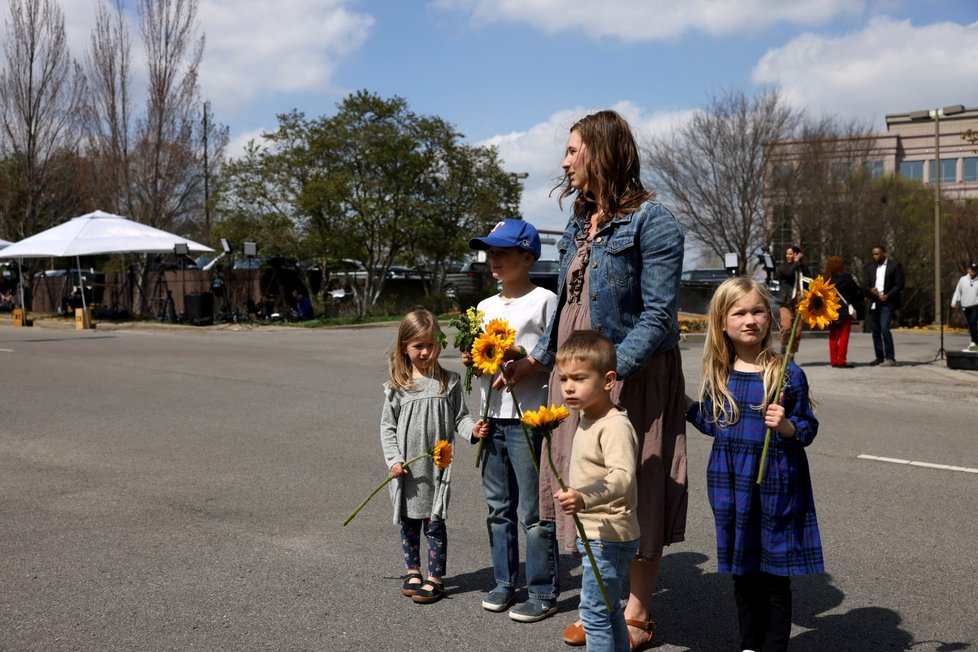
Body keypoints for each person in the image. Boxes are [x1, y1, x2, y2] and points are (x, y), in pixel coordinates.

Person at [505, 109, 686, 650]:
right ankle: (601, 603)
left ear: (602, 152)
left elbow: (658, 316)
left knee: (637, 487)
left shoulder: (654, 221)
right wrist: (539, 358)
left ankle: (635, 612)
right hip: (582, 373)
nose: (563, 162)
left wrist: (613, 374)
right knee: (582, 482)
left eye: (571, 151)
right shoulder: (582, 221)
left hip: (631, 371)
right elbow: (567, 303)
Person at [685, 277, 823, 652]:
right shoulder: (720, 374)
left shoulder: (786, 373)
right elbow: (715, 424)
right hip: (732, 486)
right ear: (722, 322)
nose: (750, 320)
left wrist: (788, 426)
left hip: (779, 485)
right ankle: (749, 644)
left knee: (775, 576)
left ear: (770, 319)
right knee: (743, 573)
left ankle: (775, 646)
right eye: (739, 312)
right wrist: (681, 405)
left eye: (758, 311)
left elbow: (808, 428)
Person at [465, 219, 561, 622]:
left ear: (528, 256)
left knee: (533, 511)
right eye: (490, 252)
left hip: (528, 418)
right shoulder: (485, 308)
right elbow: (481, 354)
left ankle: (542, 590)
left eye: (503, 252)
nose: (494, 260)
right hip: (491, 416)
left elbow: (555, 353)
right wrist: (473, 360)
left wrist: (525, 363)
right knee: (497, 508)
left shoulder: (546, 301)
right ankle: (504, 582)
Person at [380, 309, 479, 604]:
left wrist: (474, 429)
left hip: (437, 468)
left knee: (435, 523)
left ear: (439, 344)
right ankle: (413, 571)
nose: (425, 352)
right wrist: (394, 460)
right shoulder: (397, 386)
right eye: (417, 346)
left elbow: (460, 418)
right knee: (409, 522)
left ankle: (436, 577)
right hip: (407, 470)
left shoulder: (449, 381)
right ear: (404, 348)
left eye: (431, 345)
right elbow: (387, 428)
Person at [553, 331, 640, 652]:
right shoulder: (589, 416)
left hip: (609, 537)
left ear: (608, 381)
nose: (569, 387)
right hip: (599, 535)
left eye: (579, 378)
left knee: (593, 613)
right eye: (563, 379)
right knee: (607, 607)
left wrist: (584, 496)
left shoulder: (614, 425)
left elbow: (623, 478)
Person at [864, 245, 904, 366]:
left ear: (884, 254)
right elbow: (865, 284)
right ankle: (879, 356)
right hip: (874, 302)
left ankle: (890, 358)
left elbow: (899, 284)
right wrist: (871, 290)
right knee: (875, 330)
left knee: (884, 328)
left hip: (887, 302)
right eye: (873, 254)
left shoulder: (894, 266)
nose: (875, 256)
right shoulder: (871, 267)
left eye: (877, 254)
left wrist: (888, 295)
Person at [823, 256, 862, 368]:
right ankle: (842, 360)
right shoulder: (847, 277)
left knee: (833, 336)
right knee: (844, 336)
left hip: (831, 310)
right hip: (845, 310)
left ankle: (834, 360)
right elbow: (856, 291)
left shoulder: (826, 278)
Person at [773, 245, 809, 357]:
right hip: (786, 301)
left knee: (797, 331)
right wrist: (796, 263)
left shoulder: (802, 268)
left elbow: (809, 279)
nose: (788, 256)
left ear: (797, 255)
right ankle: (783, 346)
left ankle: (791, 354)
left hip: (800, 301)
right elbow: (788, 274)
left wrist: (800, 264)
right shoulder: (782, 268)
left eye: (791, 254)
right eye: (787, 253)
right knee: (786, 326)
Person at [950, 262, 978, 351]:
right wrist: (954, 301)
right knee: (971, 324)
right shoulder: (963, 280)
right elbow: (957, 291)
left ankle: (975, 341)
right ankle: (974, 341)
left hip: (975, 305)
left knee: (973, 322)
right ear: (968, 270)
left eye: (975, 269)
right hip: (965, 306)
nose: (973, 271)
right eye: (972, 269)